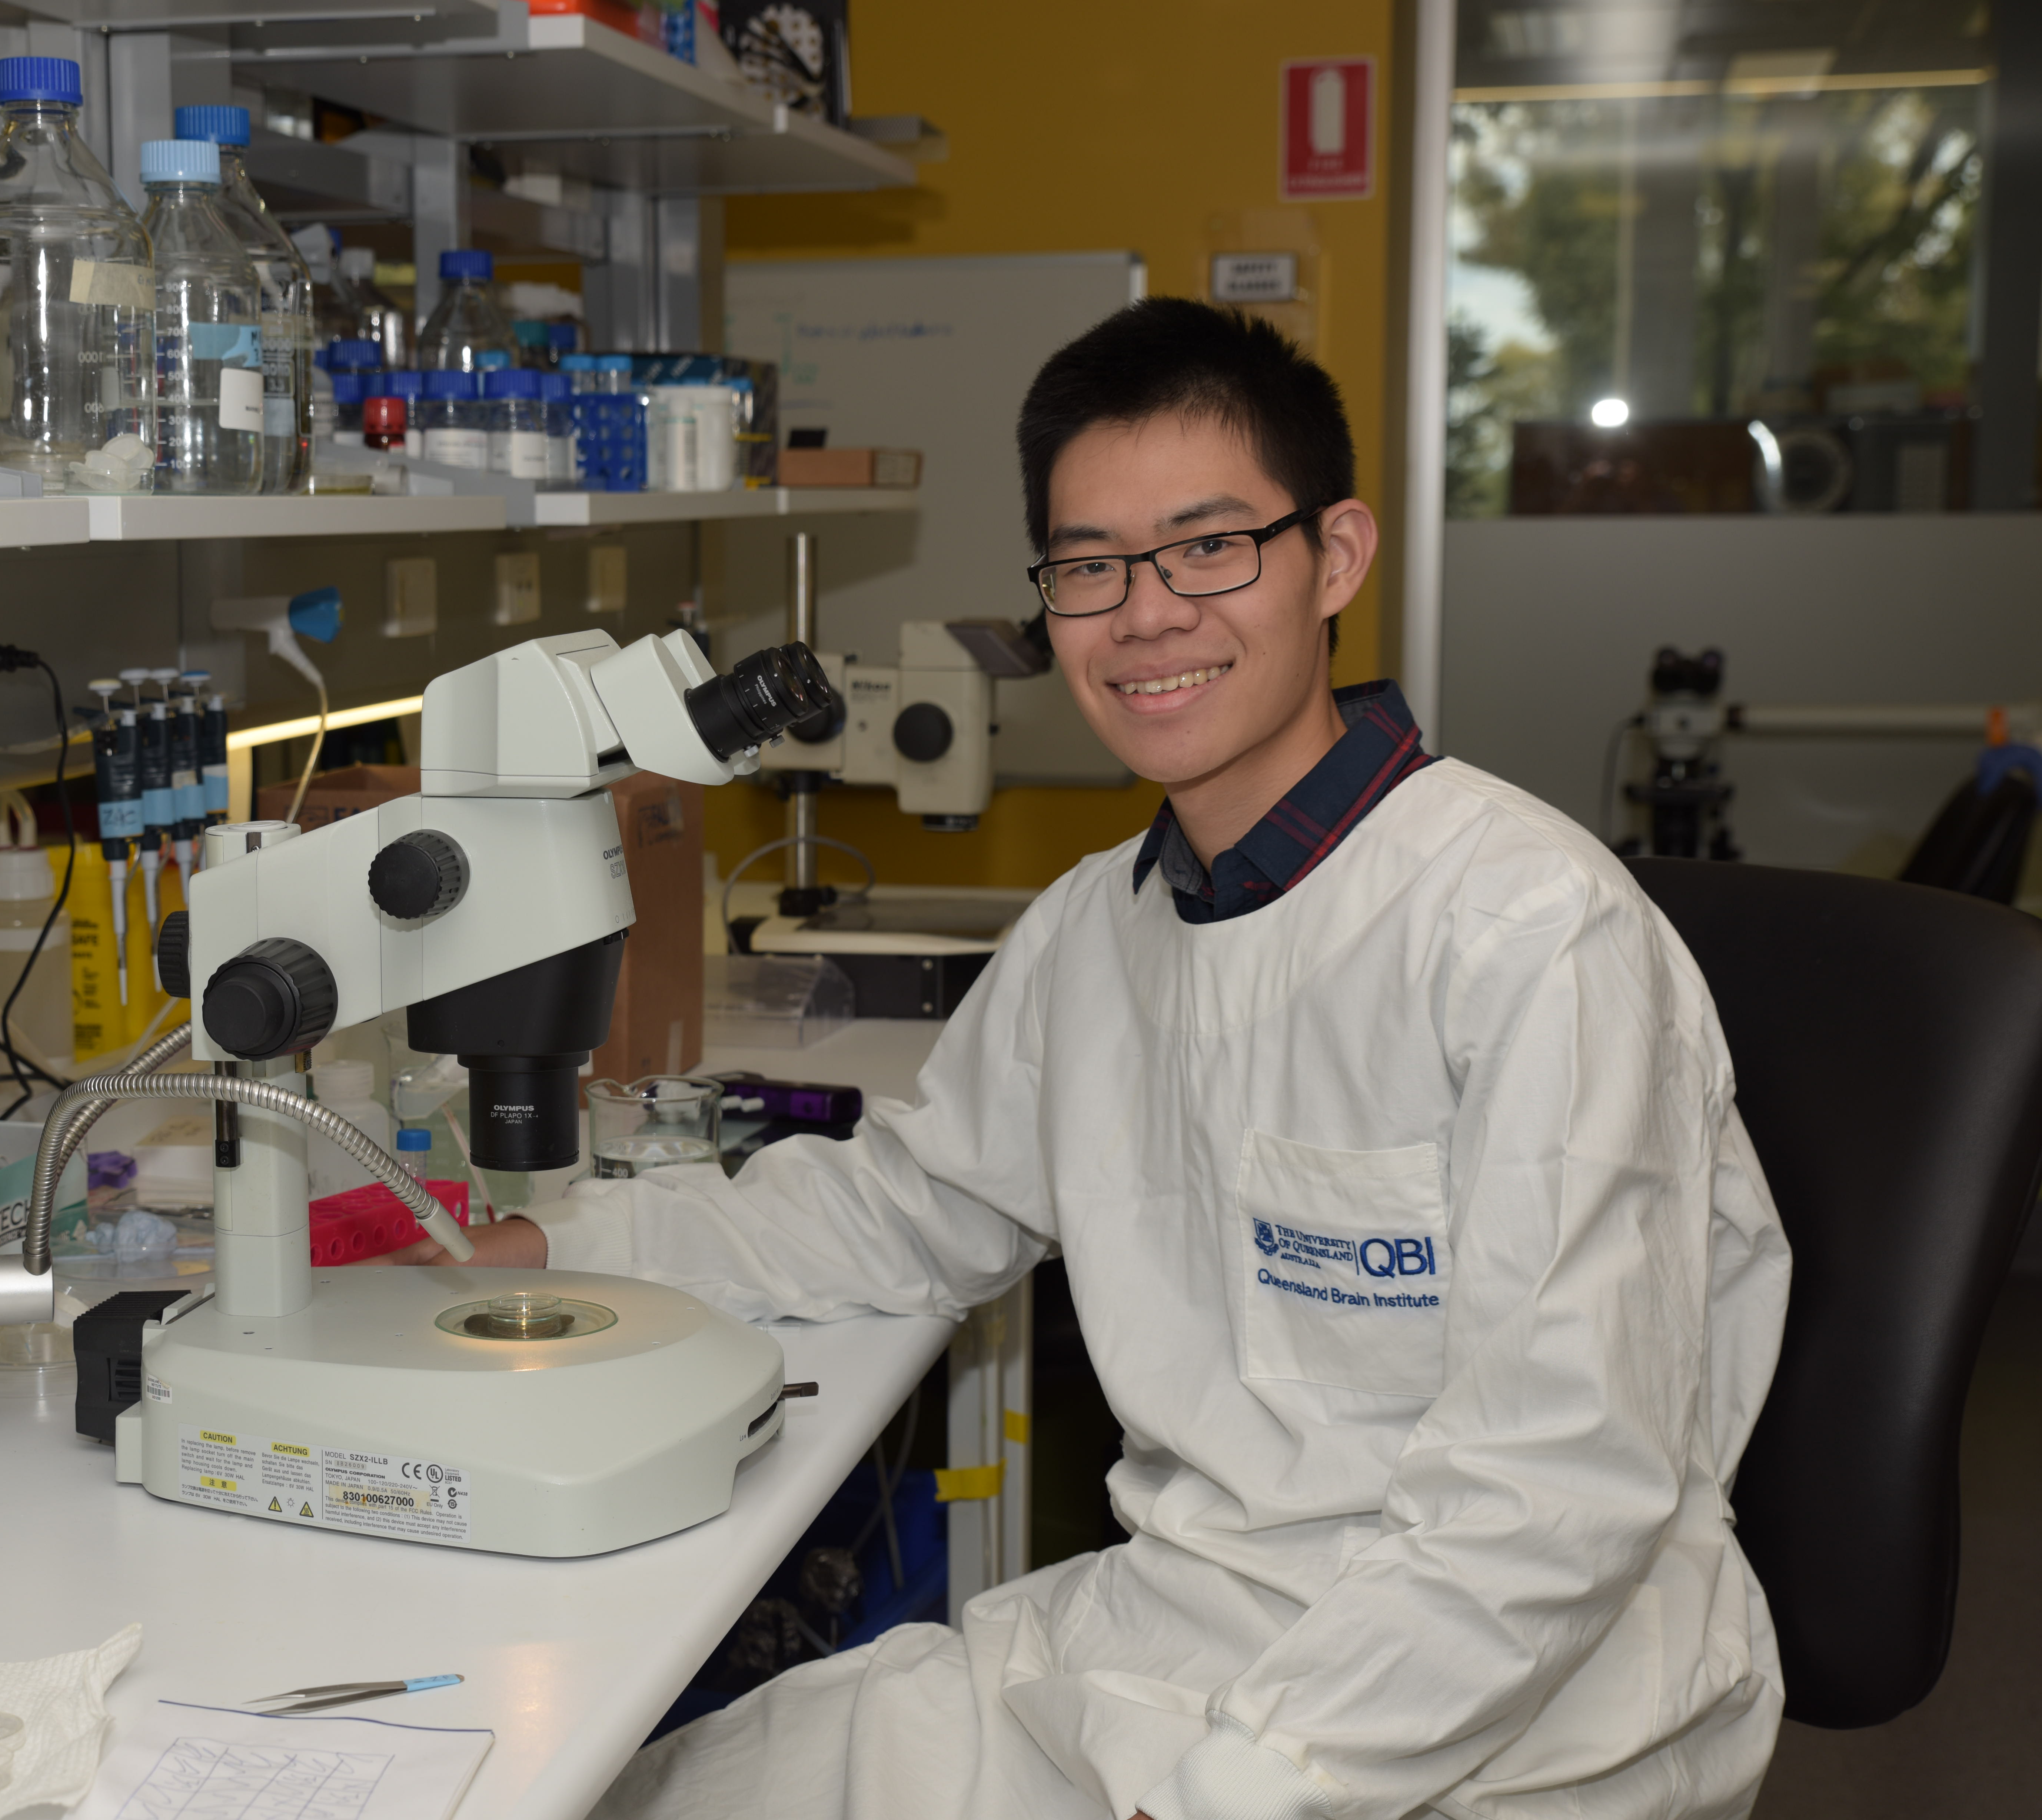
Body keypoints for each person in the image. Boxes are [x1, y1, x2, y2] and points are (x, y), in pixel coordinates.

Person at [382, 298, 1793, 1820]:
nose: (1147, 613)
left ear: (1335, 558)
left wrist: (1250, 1784)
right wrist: (556, 1240)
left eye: (1208, 546)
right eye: (1090, 567)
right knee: (635, 1789)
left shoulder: (1529, 931)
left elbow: (1555, 1489)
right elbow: (901, 1209)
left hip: (1521, 1712)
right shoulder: (1088, 933)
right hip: (1177, 1629)